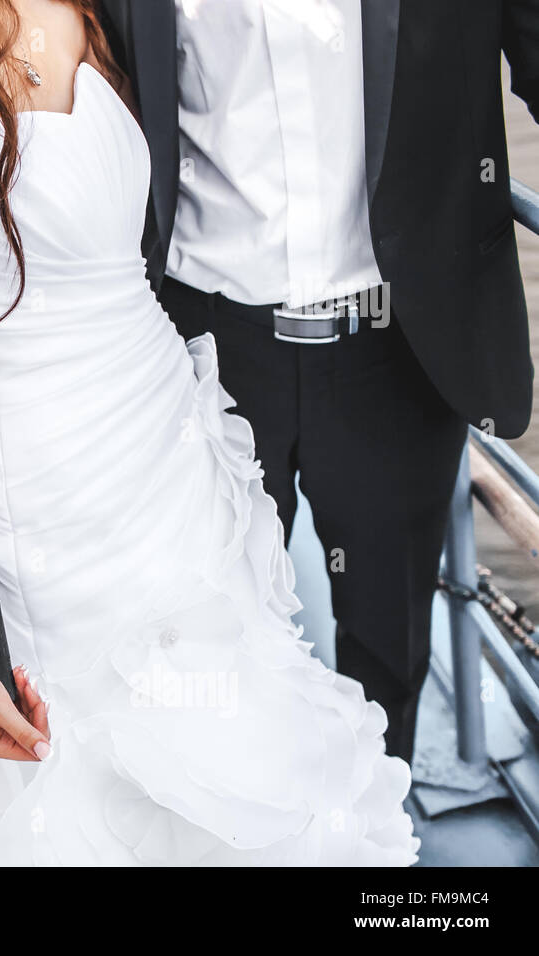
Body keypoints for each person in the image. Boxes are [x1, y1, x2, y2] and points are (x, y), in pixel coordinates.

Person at [0, 0, 418, 865]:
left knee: (244, 728)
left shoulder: (68, 9)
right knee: (119, 775)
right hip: (52, 498)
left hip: (175, 445)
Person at [96, 0, 538, 763]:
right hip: (202, 349)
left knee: (388, 649)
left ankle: (377, 844)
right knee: (208, 643)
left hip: (399, 353)